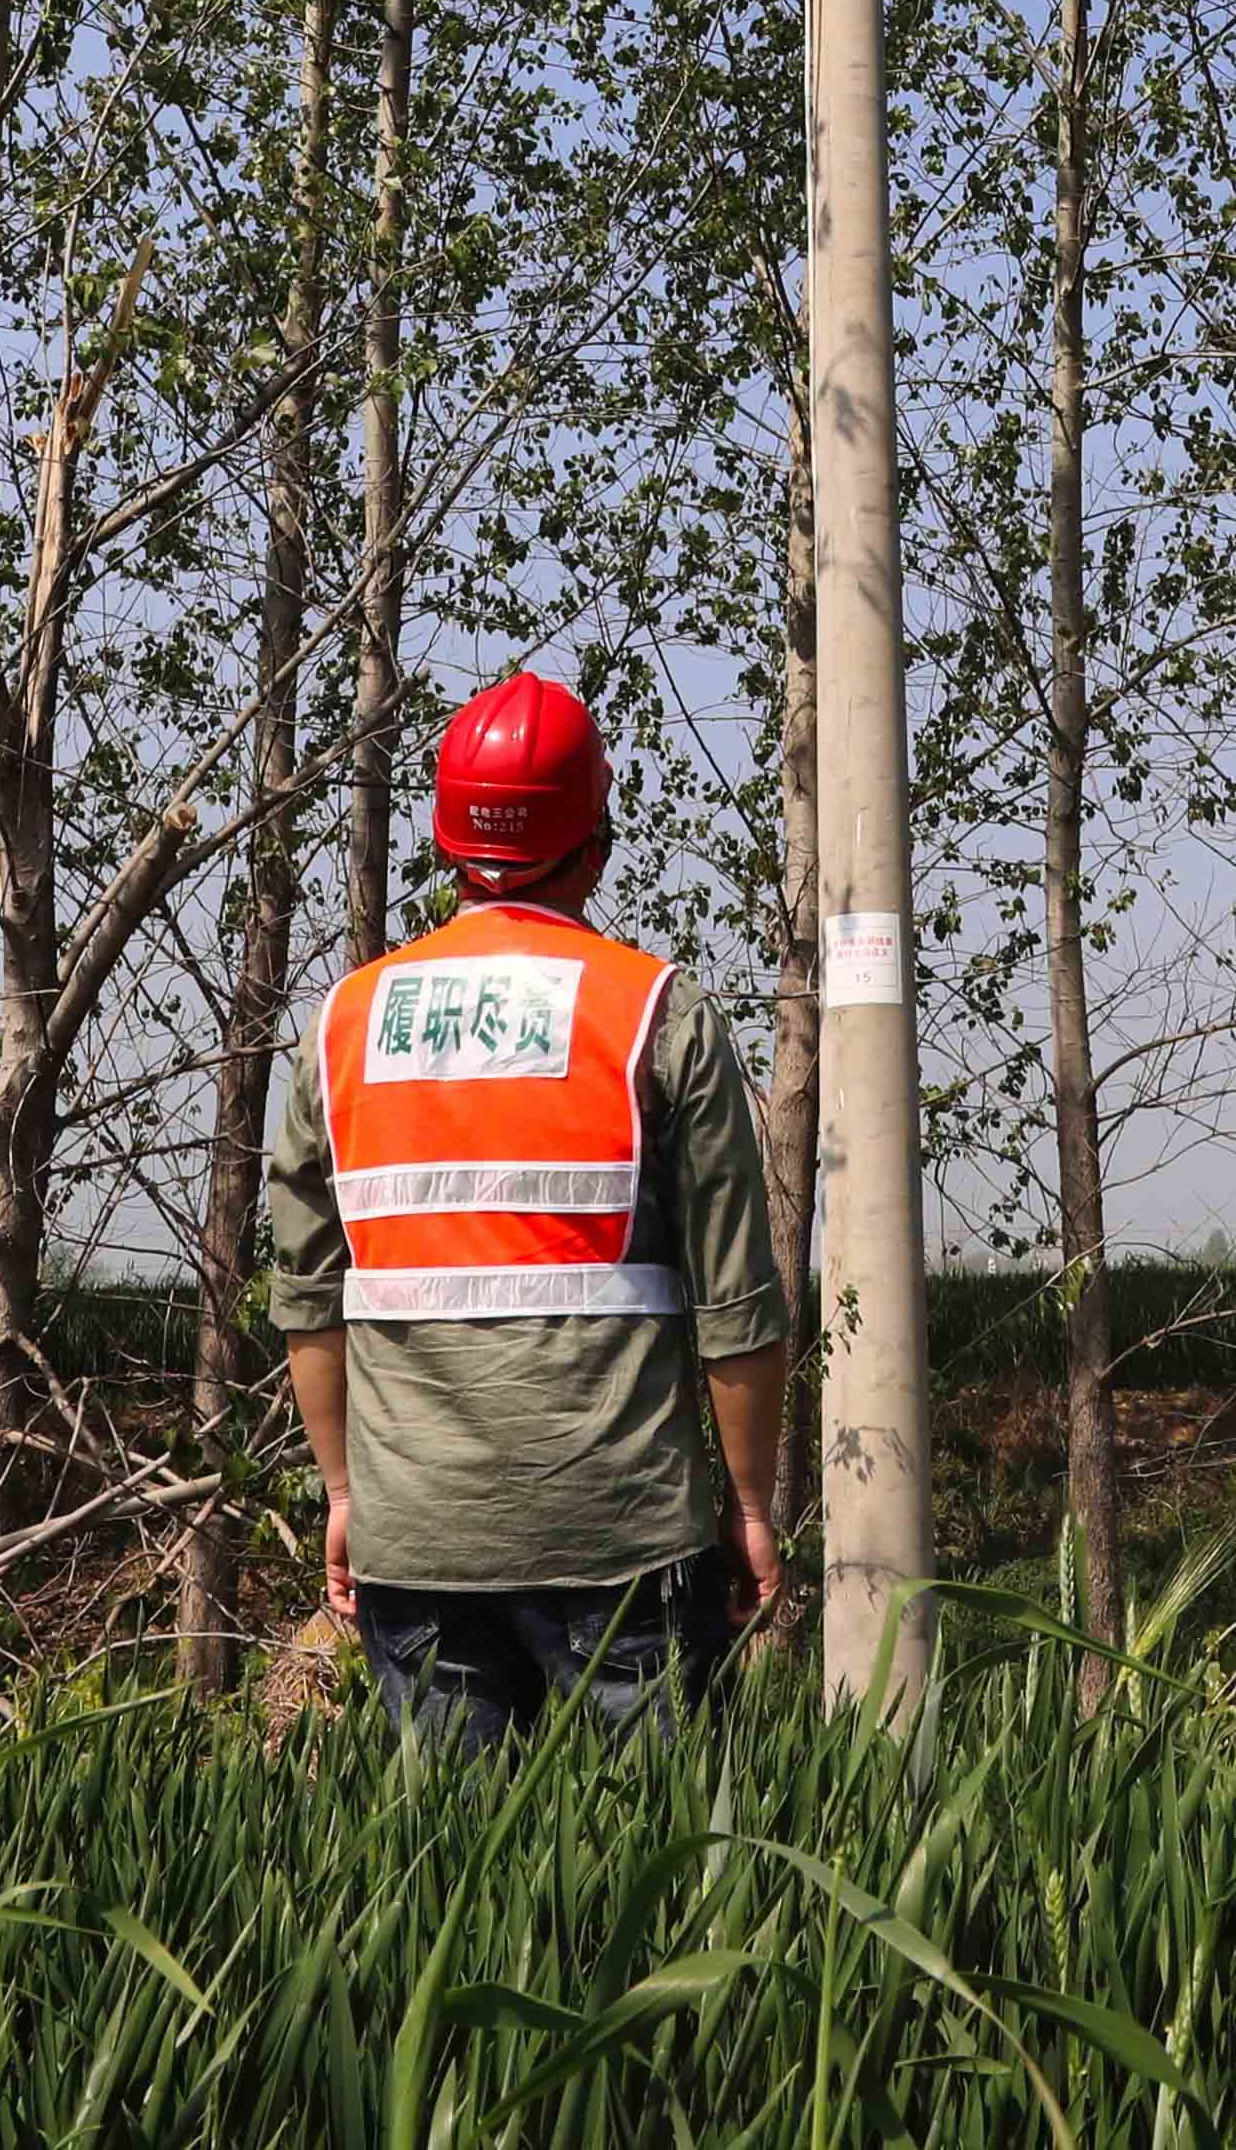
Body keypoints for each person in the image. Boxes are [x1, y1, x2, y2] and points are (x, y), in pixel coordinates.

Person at [263, 671, 793, 1755]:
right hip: (623, 1532)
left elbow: (310, 1300)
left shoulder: (345, 1023)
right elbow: (737, 1305)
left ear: (445, 843)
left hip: (418, 1534)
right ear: (594, 845)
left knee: (455, 1855)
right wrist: (748, 1507)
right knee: (668, 1851)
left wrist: (345, 1493)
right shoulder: (658, 1012)